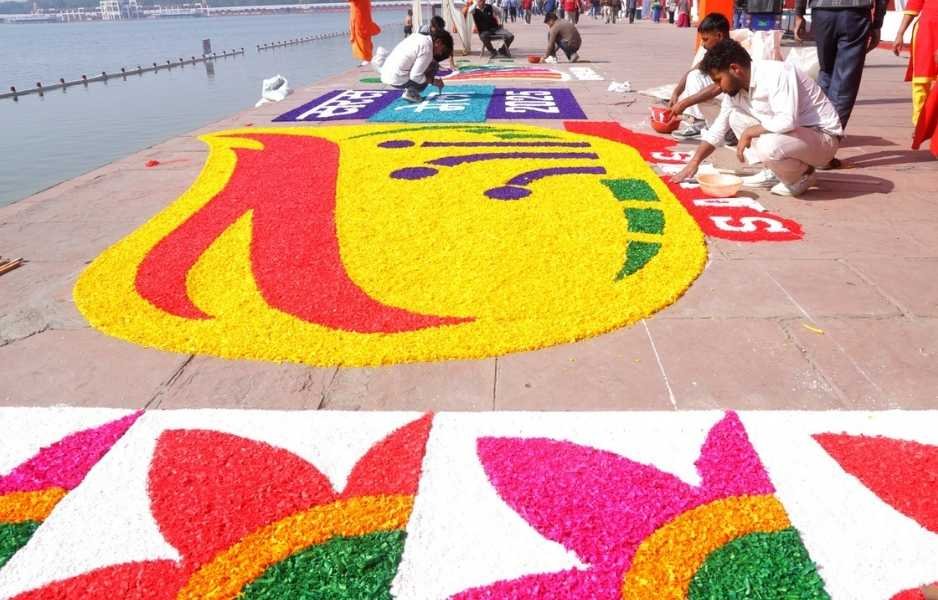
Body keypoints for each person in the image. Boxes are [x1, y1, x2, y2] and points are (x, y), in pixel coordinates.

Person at [671, 39, 843, 197]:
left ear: (735, 69)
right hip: (796, 138)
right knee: (735, 117)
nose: (718, 87)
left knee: (768, 145)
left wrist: (749, 132)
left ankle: (803, 176)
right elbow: (718, 129)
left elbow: (787, 121)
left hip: (823, 138)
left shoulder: (778, 73)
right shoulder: (735, 90)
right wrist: (694, 162)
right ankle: (776, 170)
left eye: (718, 80)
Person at [794, 0, 887, 168]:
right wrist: (877, 23)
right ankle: (823, 152)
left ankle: (812, 144)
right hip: (855, 13)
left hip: (822, 12)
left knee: (826, 73)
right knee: (845, 82)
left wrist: (799, 14)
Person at [669, 13, 731, 141]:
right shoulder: (713, 53)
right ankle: (703, 124)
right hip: (723, 100)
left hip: (736, 105)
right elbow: (692, 72)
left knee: (702, 91)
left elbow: (718, 87)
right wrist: (676, 93)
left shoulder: (732, 53)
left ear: (719, 36)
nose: (703, 44)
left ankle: (725, 129)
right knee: (695, 75)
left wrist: (684, 103)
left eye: (706, 39)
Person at [893, 0, 937, 125]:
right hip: (926, 32)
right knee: (921, 81)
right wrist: (900, 33)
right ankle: (920, 124)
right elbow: (913, 5)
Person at [380, 29, 454, 103]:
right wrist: (433, 81)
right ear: (438, 42)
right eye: (442, 49)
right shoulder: (427, 48)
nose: (440, 53)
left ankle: (409, 89)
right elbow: (415, 76)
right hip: (396, 78)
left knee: (429, 63)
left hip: (386, 75)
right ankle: (411, 92)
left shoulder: (417, 36)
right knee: (434, 65)